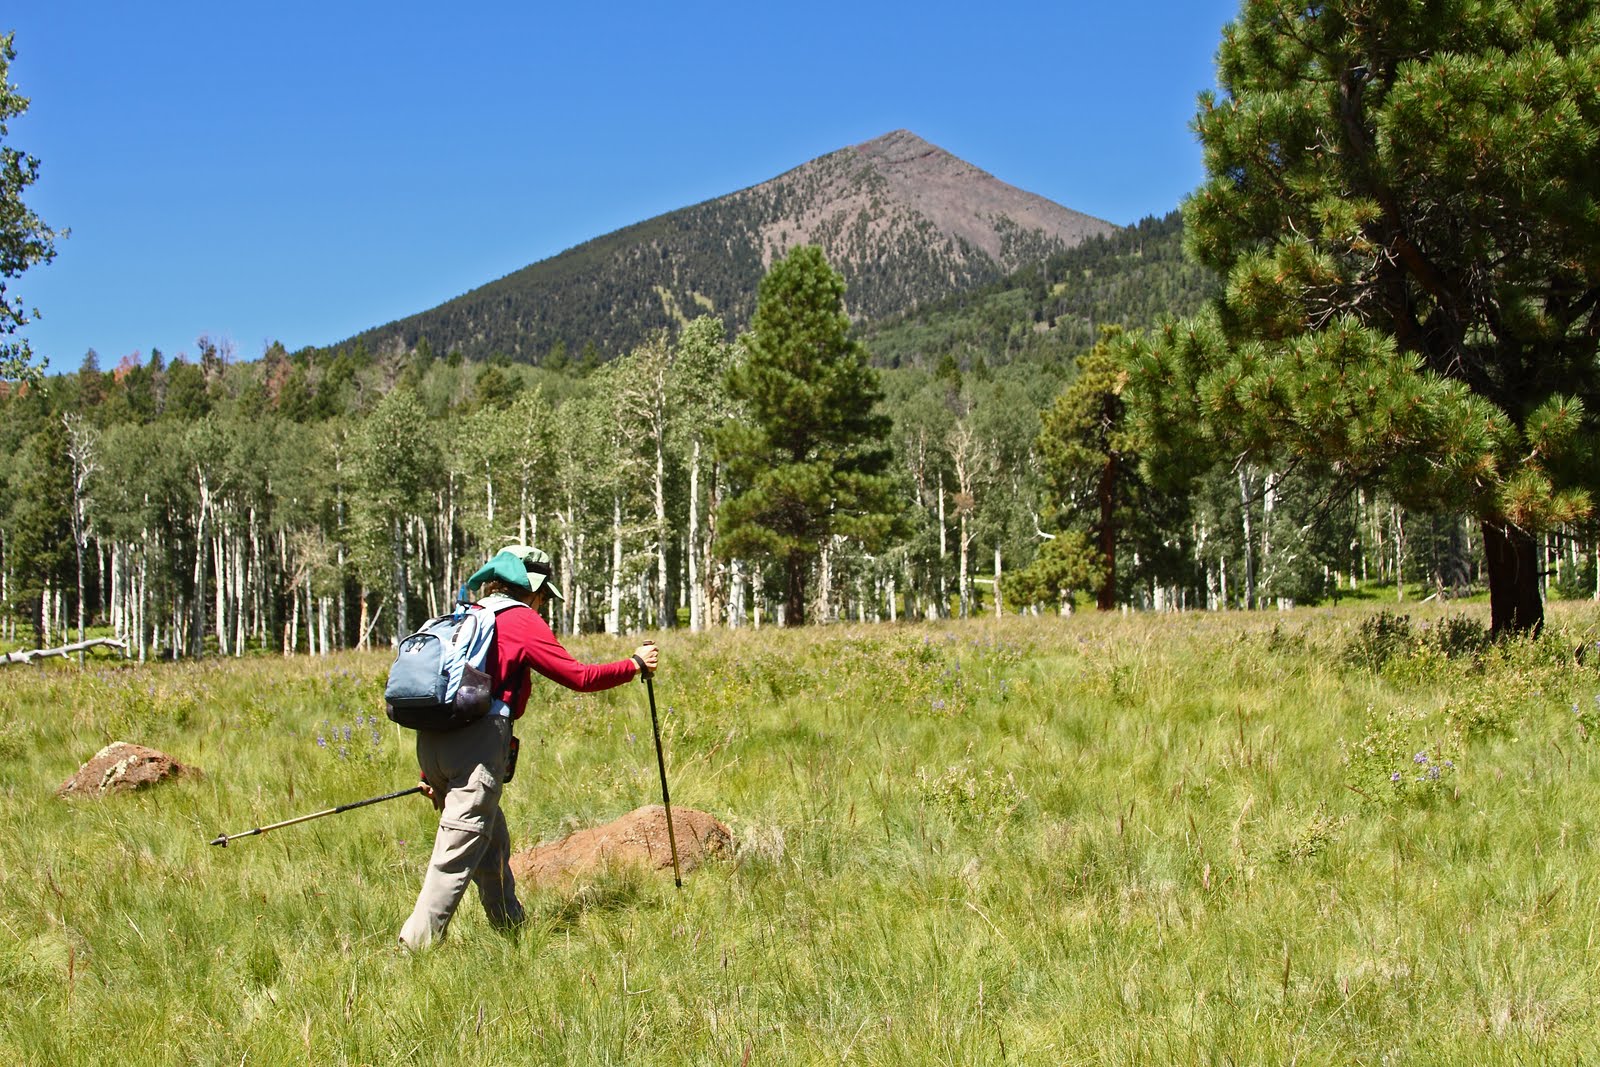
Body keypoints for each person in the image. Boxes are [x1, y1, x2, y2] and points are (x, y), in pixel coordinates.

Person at [398, 544, 658, 950]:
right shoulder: (518, 618)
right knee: (456, 851)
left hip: (433, 746)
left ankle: (512, 932)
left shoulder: (469, 613)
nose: (543, 605)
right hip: (477, 747)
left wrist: (430, 774)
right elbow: (580, 677)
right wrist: (635, 664)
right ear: (532, 590)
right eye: (542, 596)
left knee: (492, 839)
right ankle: (414, 949)